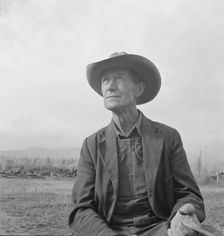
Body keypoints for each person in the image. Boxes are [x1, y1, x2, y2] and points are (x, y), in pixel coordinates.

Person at [68, 52, 220, 236]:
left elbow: (189, 194)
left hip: (161, 230)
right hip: (108, 231)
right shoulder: (91, 145)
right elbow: (80, 209)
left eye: (119, 78)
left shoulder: (167, 137)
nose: (110, 86)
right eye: (105, 80)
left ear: (138, 89)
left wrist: (181, 216)